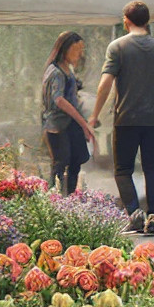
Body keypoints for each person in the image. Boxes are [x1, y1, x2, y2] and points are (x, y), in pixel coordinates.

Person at [91, 0, 154, 235]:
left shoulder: (117, 47)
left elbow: (105, 84)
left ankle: (134, 214)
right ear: (147, 20)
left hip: (127, 119)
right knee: (153, 168)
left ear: (126, 21)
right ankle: (153, 218)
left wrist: (94, 114)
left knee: (122, 170)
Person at [40, 32, 95, 194]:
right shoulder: (56, 72)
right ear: (65, 48)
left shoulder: (67, 69)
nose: (80, 54)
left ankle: (70, 197)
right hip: (58, 125)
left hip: (70, 124)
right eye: (77, 49)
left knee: (75, 160)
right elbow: (59, 100)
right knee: (60, 163)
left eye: (82, 49)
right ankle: (55, 199)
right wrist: (82, 122)